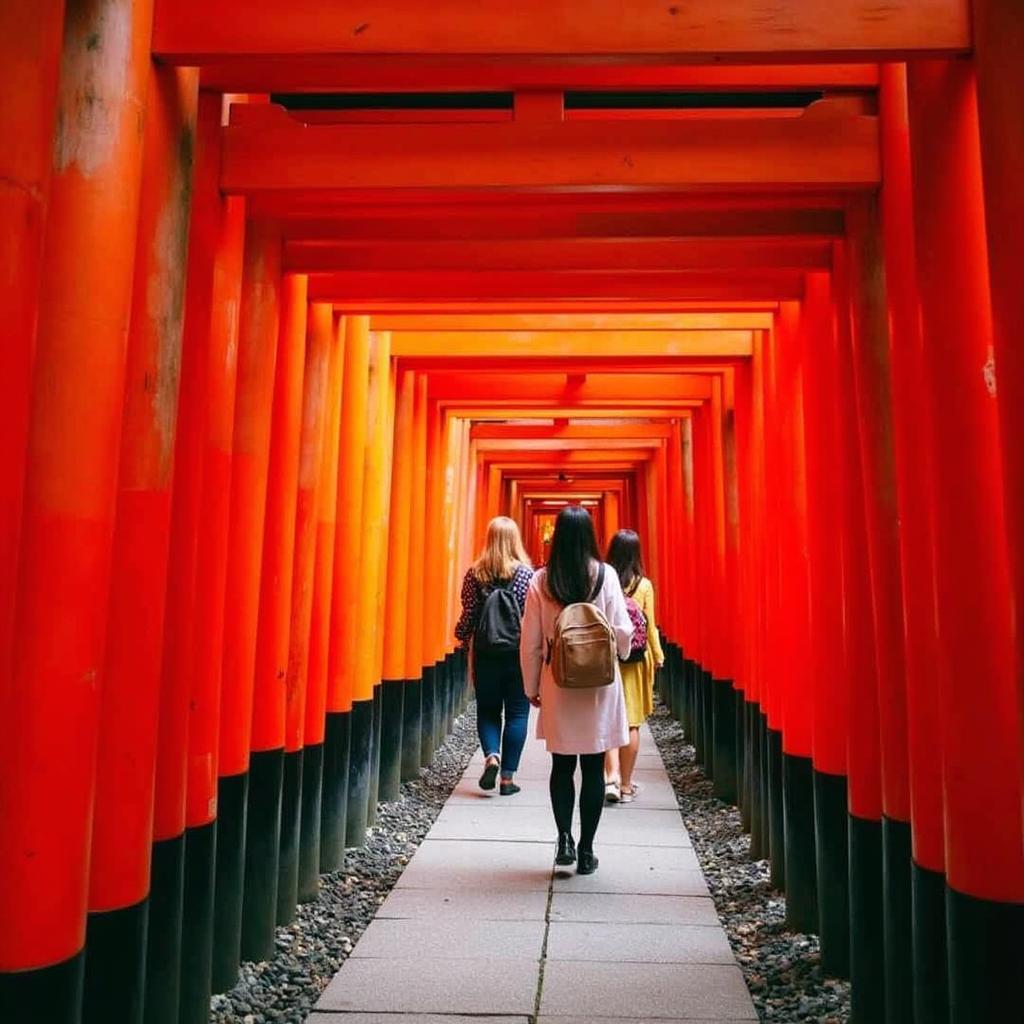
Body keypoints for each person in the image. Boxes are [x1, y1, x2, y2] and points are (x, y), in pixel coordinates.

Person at [520, 506, 633, 875]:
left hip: (559, 682)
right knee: (593, 765)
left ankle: (564, 838)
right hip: (600, 683)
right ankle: (587, 850)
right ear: (590, 535)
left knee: (562, 765)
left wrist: (532, 684)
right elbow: (621, 630)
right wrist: (622, 654)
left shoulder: (542, 579)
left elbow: (531, 640)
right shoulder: (607, 575)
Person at [455, 516, 534, 795]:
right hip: (517, 653)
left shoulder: (475, 574)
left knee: (488, 709)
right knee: (517, 713)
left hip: (486, 652)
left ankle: (491, 755)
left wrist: (461, 636)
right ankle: (507, 779)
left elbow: (470, 615)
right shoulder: (526, 575)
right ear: (515, 540)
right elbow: (532, 618)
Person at [603, 530, 665, 804]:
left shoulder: (605, 581)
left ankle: (611, 779)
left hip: (608, 658)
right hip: (637, 660)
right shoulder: (644, 586)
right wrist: (658, 654)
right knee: (632, 722)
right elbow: (650, 626)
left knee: (608, 720)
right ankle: (627, 785)